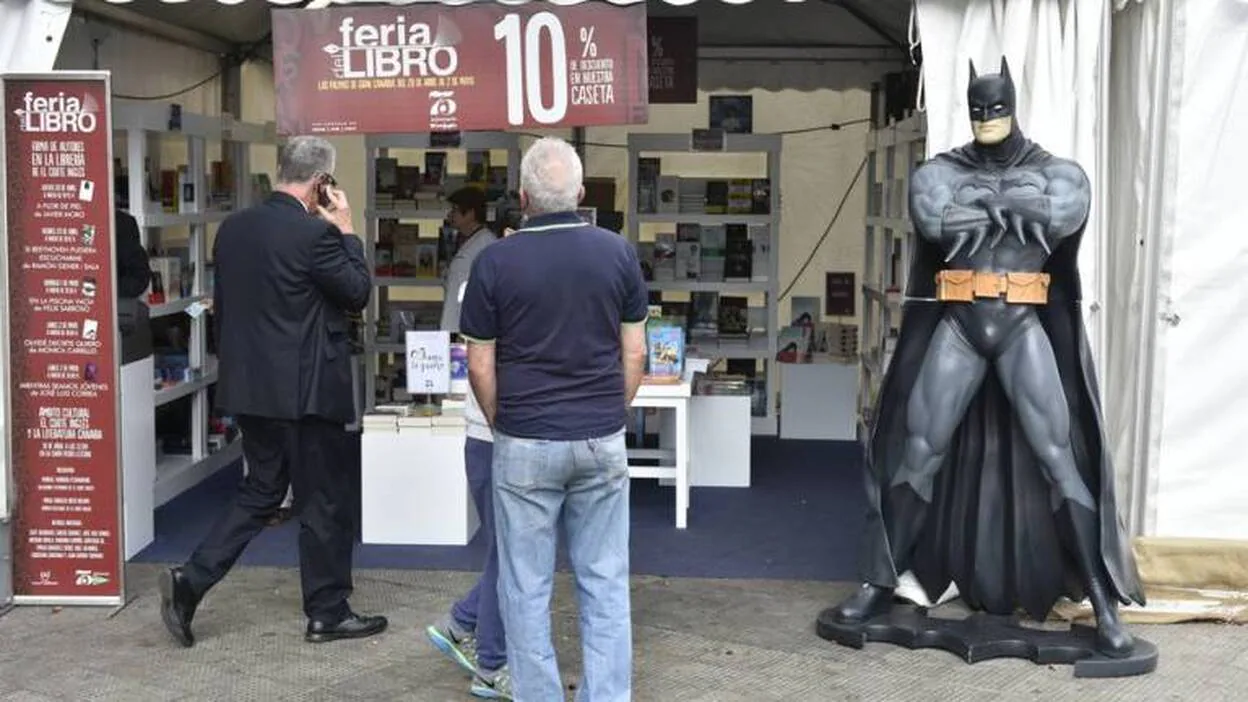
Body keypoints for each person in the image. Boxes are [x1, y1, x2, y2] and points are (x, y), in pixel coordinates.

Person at [825, 58, 1144, 658]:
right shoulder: (942, 170)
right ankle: (877, 581)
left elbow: (1066, 210)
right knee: (918, 450)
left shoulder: (1056, 170)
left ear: (1013, 104)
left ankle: (1103, 601)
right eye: (979, 108)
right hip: (962, 323)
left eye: (996, 107)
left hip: (1022, 323)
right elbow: (933, 217)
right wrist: (1008, 210)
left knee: (1061, 458)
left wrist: (1005, 209)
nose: (987, 117)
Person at [157, 136, 387, 647]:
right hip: (307, 392)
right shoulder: (316, 237)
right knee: (324, 501)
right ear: (321, 183)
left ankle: (190, 583)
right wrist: (346, 228)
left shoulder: (234, 230)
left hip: (251, 388)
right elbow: (357, 292)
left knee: (261, 491)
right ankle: (328, 612)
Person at [458, 137, 648, 701]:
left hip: (524, 438)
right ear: (582, 195)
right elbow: (635, 353)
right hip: (600, 437)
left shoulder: (494, 261)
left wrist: (500, 420)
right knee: (605, 583)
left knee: (525, 588)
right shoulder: (617, 253)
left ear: (522, 197)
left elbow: (479, 361)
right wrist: (613, 412)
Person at [424, 186, 509, 699]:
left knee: (510, 549)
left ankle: (463, 623)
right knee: (512, 552)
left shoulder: (489, 263)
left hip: (488, 431)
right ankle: (490, 661)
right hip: (496, 434)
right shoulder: (494, 269)